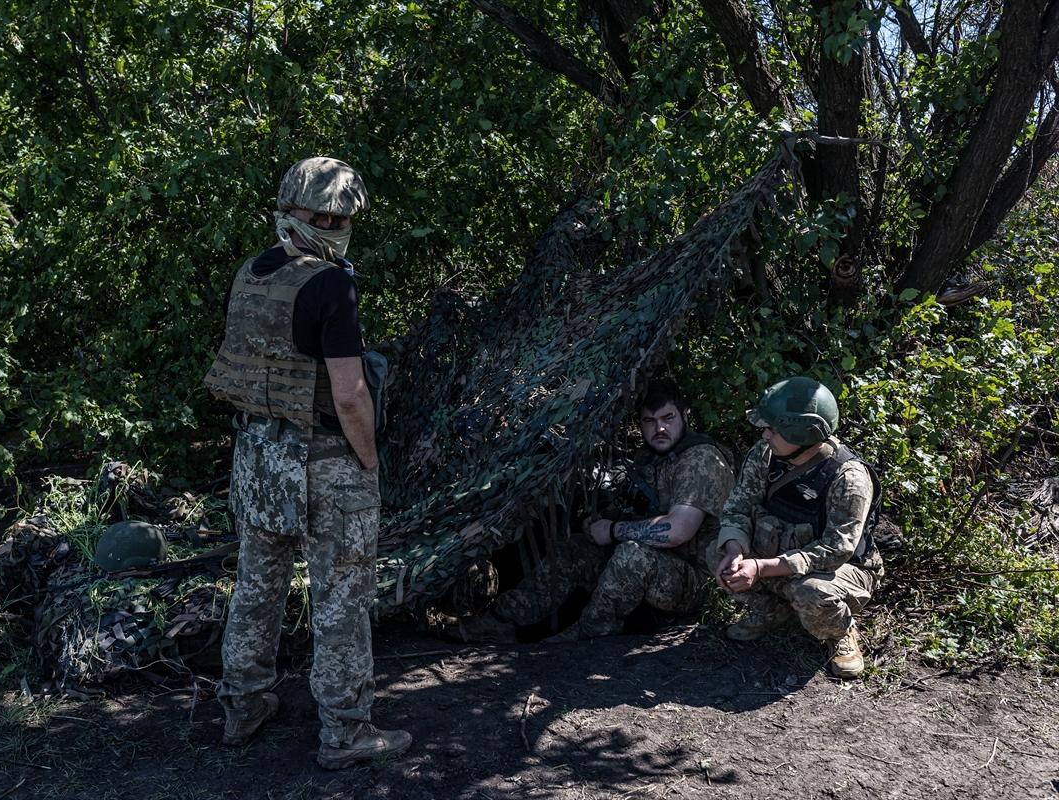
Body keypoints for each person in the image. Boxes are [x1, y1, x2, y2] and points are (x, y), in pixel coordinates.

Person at [204, 157, 411, 769]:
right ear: (292, 212)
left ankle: (243, 704)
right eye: (323, 215)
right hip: (323, 459)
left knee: (258, 583)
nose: (334, 225)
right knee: (342, 593)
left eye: (340, 216)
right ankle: (346, 732)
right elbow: (349, 394)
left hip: (258, 453)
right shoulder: (330, 285)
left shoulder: (250, 273)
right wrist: (369, 461)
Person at [458, 380, 735, 641]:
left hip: (698, 581)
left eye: (667, 418)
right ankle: (502, 620)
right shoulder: (650, 458)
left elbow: (678, 530)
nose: (659, 429)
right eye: (649, 421)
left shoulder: (701, 459)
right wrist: (602, 522)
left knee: (631, 555)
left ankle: (589, 634)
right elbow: (632, 507)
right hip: (662, 564)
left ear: (684, 416)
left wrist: (613, 531)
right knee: (574, 549)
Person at [711, 376, 883, 679]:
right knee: (717, 554)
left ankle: (839, 631)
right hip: (776, 555)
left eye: (772, 429)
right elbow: (738, 507)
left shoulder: (848, 478)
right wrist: (736, 548)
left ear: (800, 433)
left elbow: (836, 550)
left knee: (811, 592)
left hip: (836, 570)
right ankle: (772, 611)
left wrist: (761, 568)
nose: (765, 435)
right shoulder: (766, 455)